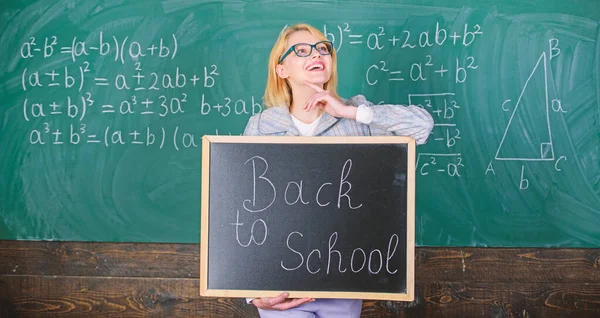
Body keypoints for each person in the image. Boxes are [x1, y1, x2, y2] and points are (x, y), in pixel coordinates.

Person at [242, 23, 434, 318]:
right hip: (280, 285)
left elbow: (422, 126)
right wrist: (252, 294)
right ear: (282, 70)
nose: (316, 54)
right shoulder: (262, 126)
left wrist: (351, 111)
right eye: (301, 51)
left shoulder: (356, 117)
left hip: (344, 278)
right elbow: (243, 210)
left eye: (323, 49)